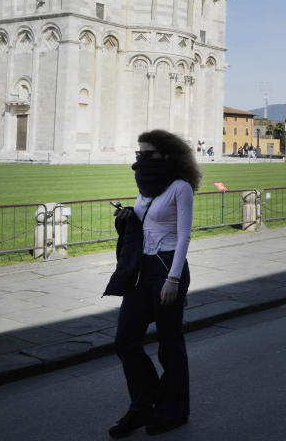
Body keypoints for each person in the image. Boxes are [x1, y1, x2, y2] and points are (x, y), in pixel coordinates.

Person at [108, 129, 199, 438]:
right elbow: (147, 219)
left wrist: (174, 278)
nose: (141, 160)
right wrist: (129, 214)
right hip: (142, 271)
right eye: (139, 155)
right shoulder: (146, 187)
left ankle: (174, 410)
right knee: (125, 340)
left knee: (169, 344)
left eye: (148, 154)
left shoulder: (180, 188)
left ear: (166, 155)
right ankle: (143, 405)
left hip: (167, 269)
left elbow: (184, 235)